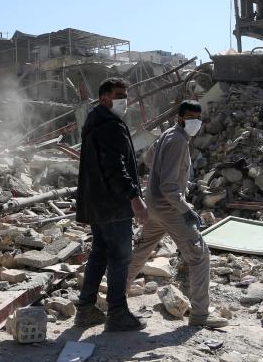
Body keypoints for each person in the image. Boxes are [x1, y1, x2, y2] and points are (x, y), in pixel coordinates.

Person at [126, 100, 227, 328]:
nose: (196, 123)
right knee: (199, 256)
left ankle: (115, 301)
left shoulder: (167, 135)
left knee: (141, 252)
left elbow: (149, 159)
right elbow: (170, 187)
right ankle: (200, 315)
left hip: (154, 206)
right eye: (191, 118)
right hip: (170, 208)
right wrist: (187, 210)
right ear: (180, 118)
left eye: (198, 118)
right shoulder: (179, 140)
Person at [74, 77, 148, 331]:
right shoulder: (110, 126)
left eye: (126, 95)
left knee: (100, 254)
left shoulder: (95, 120)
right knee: (120, 257)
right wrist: (134, 198)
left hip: (97, 204)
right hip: (113, 204)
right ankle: (117, 312)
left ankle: (85, 310)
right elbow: (115, 167)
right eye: (119, 95)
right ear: (105, 97)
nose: (124, 100)